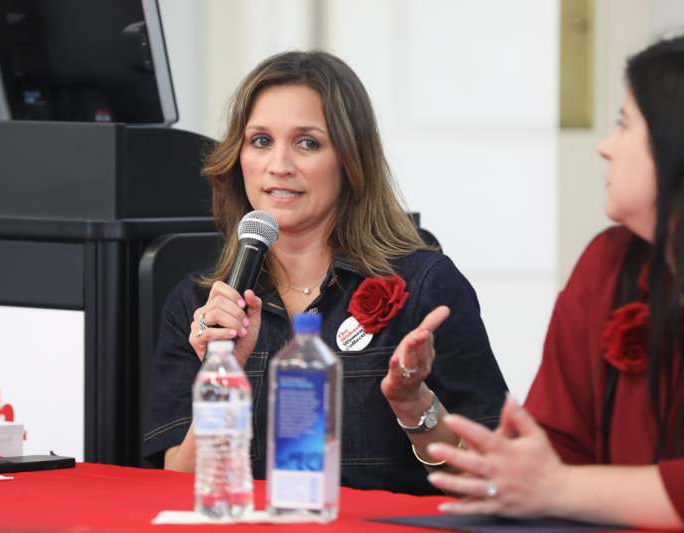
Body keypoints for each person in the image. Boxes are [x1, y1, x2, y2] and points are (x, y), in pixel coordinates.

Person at [142, 50, 508, 495]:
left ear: (350, 162)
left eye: (307, 143)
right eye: (260, 141)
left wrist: (415, 406)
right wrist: (225, 374)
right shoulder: (202, 305)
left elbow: (491, 476)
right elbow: (177, 483)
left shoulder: (425, 285)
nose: (279, 165)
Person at [426, 34, 684, 529]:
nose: (605, 147)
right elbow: (559, 440)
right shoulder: (608, 262)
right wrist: (512, 469)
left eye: (624, 126)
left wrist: (558, 487)